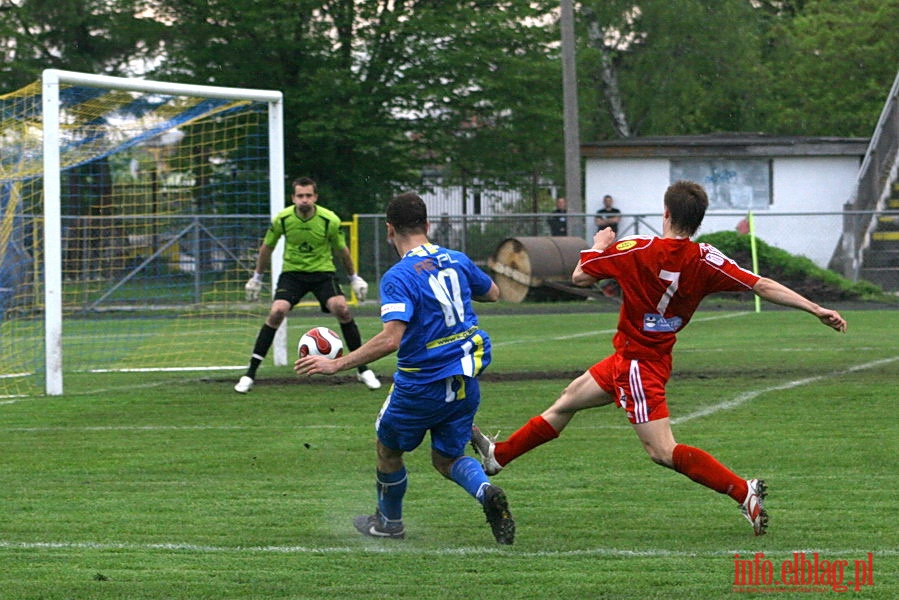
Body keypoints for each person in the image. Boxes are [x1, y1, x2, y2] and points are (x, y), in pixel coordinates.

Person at [471, 180, 847, 537]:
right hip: (642, 358)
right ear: (698, 221)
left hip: (638, 364)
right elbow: (760, 285)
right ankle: (499, 456)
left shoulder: (635, 247)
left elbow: (581, 276)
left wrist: (600, 243)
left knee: (661, 451)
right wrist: (814, 308)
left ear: (665, 213)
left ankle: (742, 491)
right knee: (568, 399)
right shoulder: (707, 258)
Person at [295, 192, 515, 544]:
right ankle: (486, 491)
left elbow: (390, 339)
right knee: (447, 459)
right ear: (427, 225)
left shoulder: (398, 277)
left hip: (420, 384)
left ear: (389, 230)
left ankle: (389, 523)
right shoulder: (455, 259)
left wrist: (336, 364)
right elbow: (492, 293)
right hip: (463, 380)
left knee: (388, 450)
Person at [235, 176, 381, 393]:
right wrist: (256, 278)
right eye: (300, 196)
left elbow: (342, 250)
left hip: (323, 273)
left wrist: (354, 278)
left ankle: (363, 369)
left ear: (315, 197)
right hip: (292, 274)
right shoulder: (283, 219)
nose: (304, 200)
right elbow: (267, 247)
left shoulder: (329, 219)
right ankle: (250, 374)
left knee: (341, 308)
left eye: (308, 195)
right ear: (293, 197)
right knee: (276, 312)